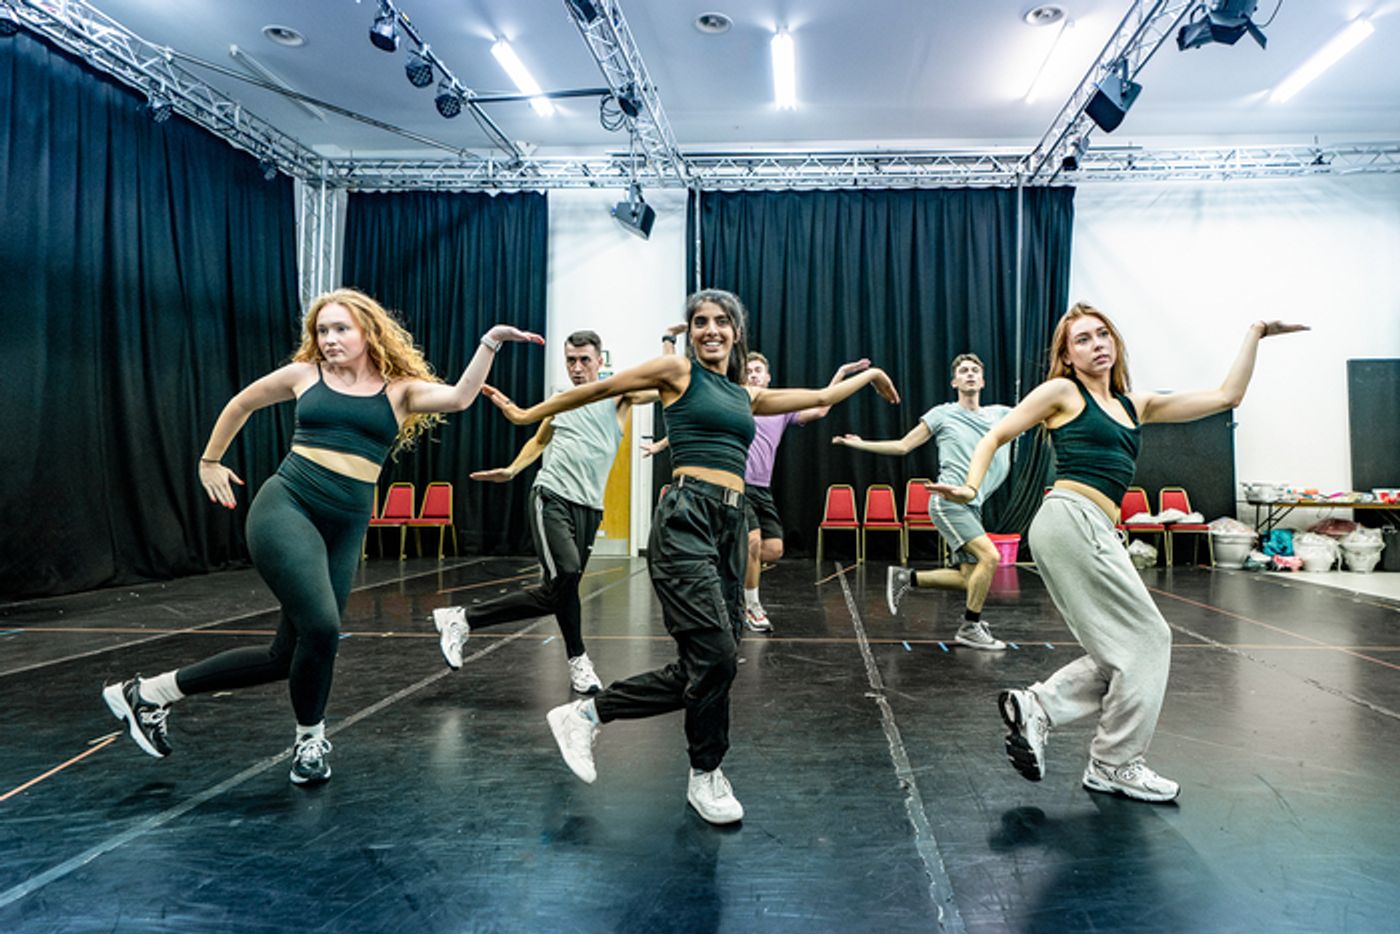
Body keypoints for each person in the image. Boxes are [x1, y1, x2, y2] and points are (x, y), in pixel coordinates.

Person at [484, 289, 899, 824]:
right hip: (686, 520)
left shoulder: (743, 395)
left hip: (732, 523)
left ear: (736, 331)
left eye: (721, 322)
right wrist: (525, 416)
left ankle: (696, 769)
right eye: (700, 321)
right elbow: (603, 388)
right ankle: (600, 718)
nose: (710, 330)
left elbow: (818, 394)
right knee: (719, 659)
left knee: (711, 665)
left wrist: (869, 377)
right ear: (690, 329)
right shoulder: (677, 372)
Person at [102, 288, 541, 785]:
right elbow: (242, 402)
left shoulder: (399, 390)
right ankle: (309, 740)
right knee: (324, 628)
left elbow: (460, 397)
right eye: (322, 330)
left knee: (288, 656)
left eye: (340, 329)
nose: (329, 339)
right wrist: (209, 461)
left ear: (368, 332)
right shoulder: (303, 376)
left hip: (346, 525)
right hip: (287, 507)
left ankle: (149, 694)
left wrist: (490, 342)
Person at [928, 305, 1305, 803]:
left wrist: (1255, 332)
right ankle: (1115, 763)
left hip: (1095, 528)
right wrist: (970, 487)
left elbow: (1225, 396)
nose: (1096, 344)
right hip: (1070, 517)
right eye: (1081, 340)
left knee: (1125, 651)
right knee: (1150, 637)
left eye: (1102, 334)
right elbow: (998, 434)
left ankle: (1040, 706)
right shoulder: (1064, 392)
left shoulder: (1135, 405)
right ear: (1067, 355)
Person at [431, 330, 656, 694]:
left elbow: (664, 386)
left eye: (585, 360)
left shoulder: (620, 397)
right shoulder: (561, 400)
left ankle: (463, 618)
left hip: (590, 508)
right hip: (551, 496)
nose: (577, 367)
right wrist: (512, 470)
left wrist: (670, 349)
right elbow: (538, 438)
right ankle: (579, 659)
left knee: (559, 590)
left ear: (600, 361)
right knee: (566, 573)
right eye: (571, 360)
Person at [645, 347, 871, 633]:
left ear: (768, 377)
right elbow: (693, 420)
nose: (753, 375)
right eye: (748, 371)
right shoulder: (734, 401)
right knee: (751, 543)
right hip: (735, 485)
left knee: (773, 550)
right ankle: (750, 606)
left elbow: (822, 407)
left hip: (762, 490)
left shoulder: (781, 409)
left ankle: (724, 566)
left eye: (758, 371)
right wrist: (660, 445)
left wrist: (840, 374)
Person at [833, 353, 1011, 650]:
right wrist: (860, 443)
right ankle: (970, 627)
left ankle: (907, 578)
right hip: (948, 500)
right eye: (963, 371)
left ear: (983, 380)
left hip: (973, 505)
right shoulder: (942, 414)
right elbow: (903, 446)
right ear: (954, 382)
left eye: (974, 370)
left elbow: (1041, 414)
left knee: (970, 578)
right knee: (990, 558)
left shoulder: (1002, 414)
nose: (969, 374)